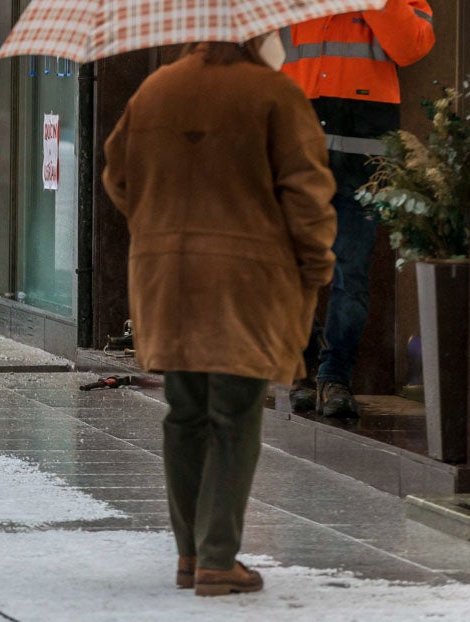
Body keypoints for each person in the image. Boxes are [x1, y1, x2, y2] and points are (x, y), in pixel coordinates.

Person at [103, 37, 336, 597]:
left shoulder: (154, 90)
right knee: (234, 412)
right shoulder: (274, 94)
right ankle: (216, 558)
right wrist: (317, 262)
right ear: (255, 29)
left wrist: (160, 223)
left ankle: (189, 556)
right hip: (244, 277)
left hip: (166, 276)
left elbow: (117, 176)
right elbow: (306, 192)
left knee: (184, 413)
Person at [283, 0, 436, 419]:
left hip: (364, 161)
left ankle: (335, 376)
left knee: (350, 272)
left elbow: (412, 45)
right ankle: (302, 373)